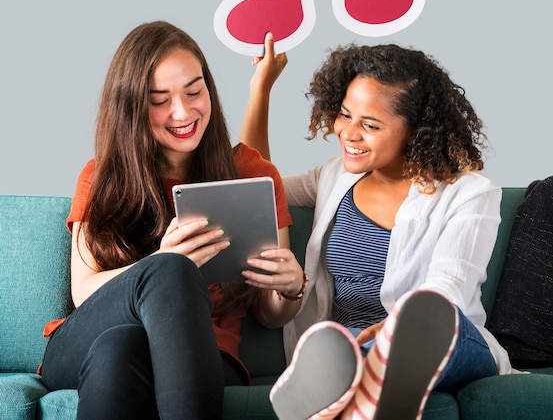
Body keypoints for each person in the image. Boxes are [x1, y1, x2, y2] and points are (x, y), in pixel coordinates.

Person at [40, 21, 307, 420]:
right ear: (130, 105)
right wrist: (162, 265)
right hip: (81, 345)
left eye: (194, 91)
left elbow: (270, 314)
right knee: (167, 271)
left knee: (121, 348)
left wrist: (290, 288)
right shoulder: (101, 176)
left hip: (204, 355)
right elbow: (85, 292)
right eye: (159, 99)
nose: (183, 112)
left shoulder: (251, 173)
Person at [240, 34, 514, 420]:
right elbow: (257, 186)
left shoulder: (470, 193)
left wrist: (393, 331)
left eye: (370, 124)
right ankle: (364, 386)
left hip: (448, 343)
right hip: (351, 342)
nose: (349, 133)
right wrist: (261, 87)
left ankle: (345, 378)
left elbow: (448, 288)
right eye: (345, 114)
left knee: (431, 320)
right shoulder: (332, 178)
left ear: (416, 130)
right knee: (347, 350)